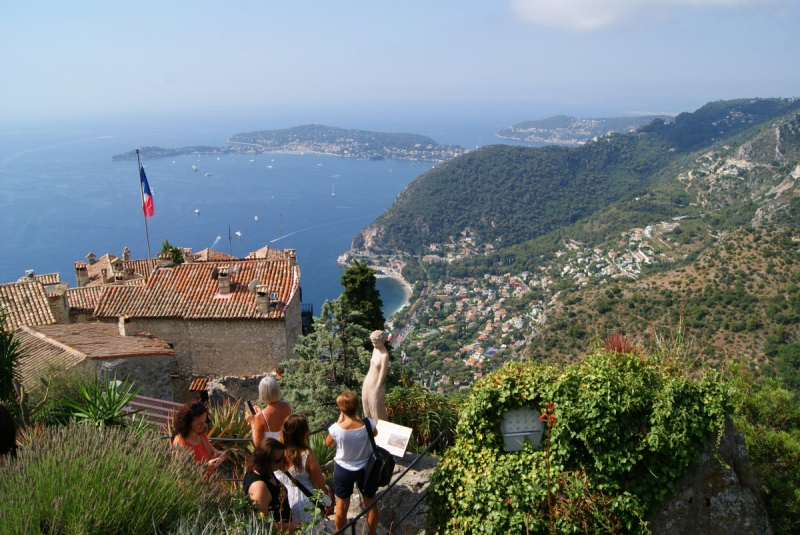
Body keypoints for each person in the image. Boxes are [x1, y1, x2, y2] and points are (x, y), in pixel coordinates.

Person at [325, 391, 379, 535]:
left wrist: (339, 421)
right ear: (356, 406)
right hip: (365, 469)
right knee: (371, 504)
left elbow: (327, 443)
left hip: (344, 469)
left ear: (341, 409)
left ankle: (340, 533)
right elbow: (375, 433)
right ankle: (371, 533)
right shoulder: (367, 424)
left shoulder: (337, 429)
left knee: (341, 507)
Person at [275, 415, 333, 529]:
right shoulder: (306, 454)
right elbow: (320, 484)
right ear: (303, 432)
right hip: (305, 501)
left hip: (283, 501)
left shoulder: (276, 452)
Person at [244, 438, 297, 531]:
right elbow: (261, 524)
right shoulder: (259, 486)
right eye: (278, 460)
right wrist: (292, 527)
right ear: (266, 461)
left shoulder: (267, 472)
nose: (281, 462)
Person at [171, 401, 226, 474]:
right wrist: (207, 466)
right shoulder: (180, 443)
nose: (203, 425)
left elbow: (210, 449)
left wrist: (216, 453)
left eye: (204, 422)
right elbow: (181, 472)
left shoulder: (201, 434)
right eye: (200, 423)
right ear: (188, 423)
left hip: (209, 483)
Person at [246, 376, 292, 445]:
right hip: (288, 451)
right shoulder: (287, 406)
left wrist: (252, 422)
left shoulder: (260, 416)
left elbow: (257, 443)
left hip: (273, 454)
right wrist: (260, 413)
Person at [362, 330, 389, 422]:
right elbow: (371, 367)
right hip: (368, 382)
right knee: (366, 408)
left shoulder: (384, 356)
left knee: (376, 410)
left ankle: (379, 432)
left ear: (382, 341)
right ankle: (369, 431)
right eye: (373, 343)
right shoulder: (375, 350)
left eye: (376, 343)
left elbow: (383, 372)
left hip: (375, 384)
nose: (374, 345)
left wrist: (378, 385)